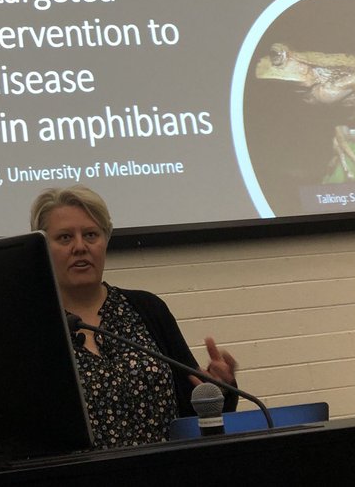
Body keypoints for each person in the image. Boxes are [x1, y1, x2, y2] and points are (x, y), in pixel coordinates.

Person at [30, 185, 240, 449]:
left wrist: (220, 389)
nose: (80, 246)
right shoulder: (31, 326)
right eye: (64, 238)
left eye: (91, 234)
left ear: (105, 241)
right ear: (42, 247)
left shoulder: (147, 309)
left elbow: (194, 405)